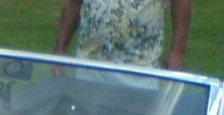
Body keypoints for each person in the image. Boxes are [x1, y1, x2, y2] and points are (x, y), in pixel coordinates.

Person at [54, 0, 191, 70]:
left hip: (141, 66)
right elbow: (73, 3)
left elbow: (181, 3)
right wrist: (60, 51)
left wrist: (177, 51)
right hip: (90, 62)